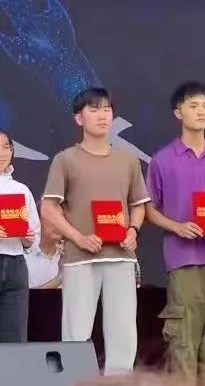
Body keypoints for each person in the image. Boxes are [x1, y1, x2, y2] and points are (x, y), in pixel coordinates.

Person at [41, 88, 150, 374]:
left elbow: (138, 205)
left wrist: (133, 230)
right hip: (81, 259)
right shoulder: (66, 159)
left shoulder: (127, 160)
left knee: (123, 333)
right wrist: (78, 237)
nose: (103, 116)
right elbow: (49, 208)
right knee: (76, 332)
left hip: (121, 257)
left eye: (107, 110)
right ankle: (73, 380)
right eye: (94, 110)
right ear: (79, 118)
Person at [145, 82, 205, 385]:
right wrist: (177, 226)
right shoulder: (162, 160)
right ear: (178, 112)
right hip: (183, 261)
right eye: (193, 106)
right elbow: (149, 210)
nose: (201, 112)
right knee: (183, 343)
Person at [0, 128, 40, 341]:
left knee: (14, 336)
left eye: (6, 147)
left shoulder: (21, 189)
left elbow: (34, 233)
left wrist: (27, 239)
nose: (2, 153)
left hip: (15, 265)